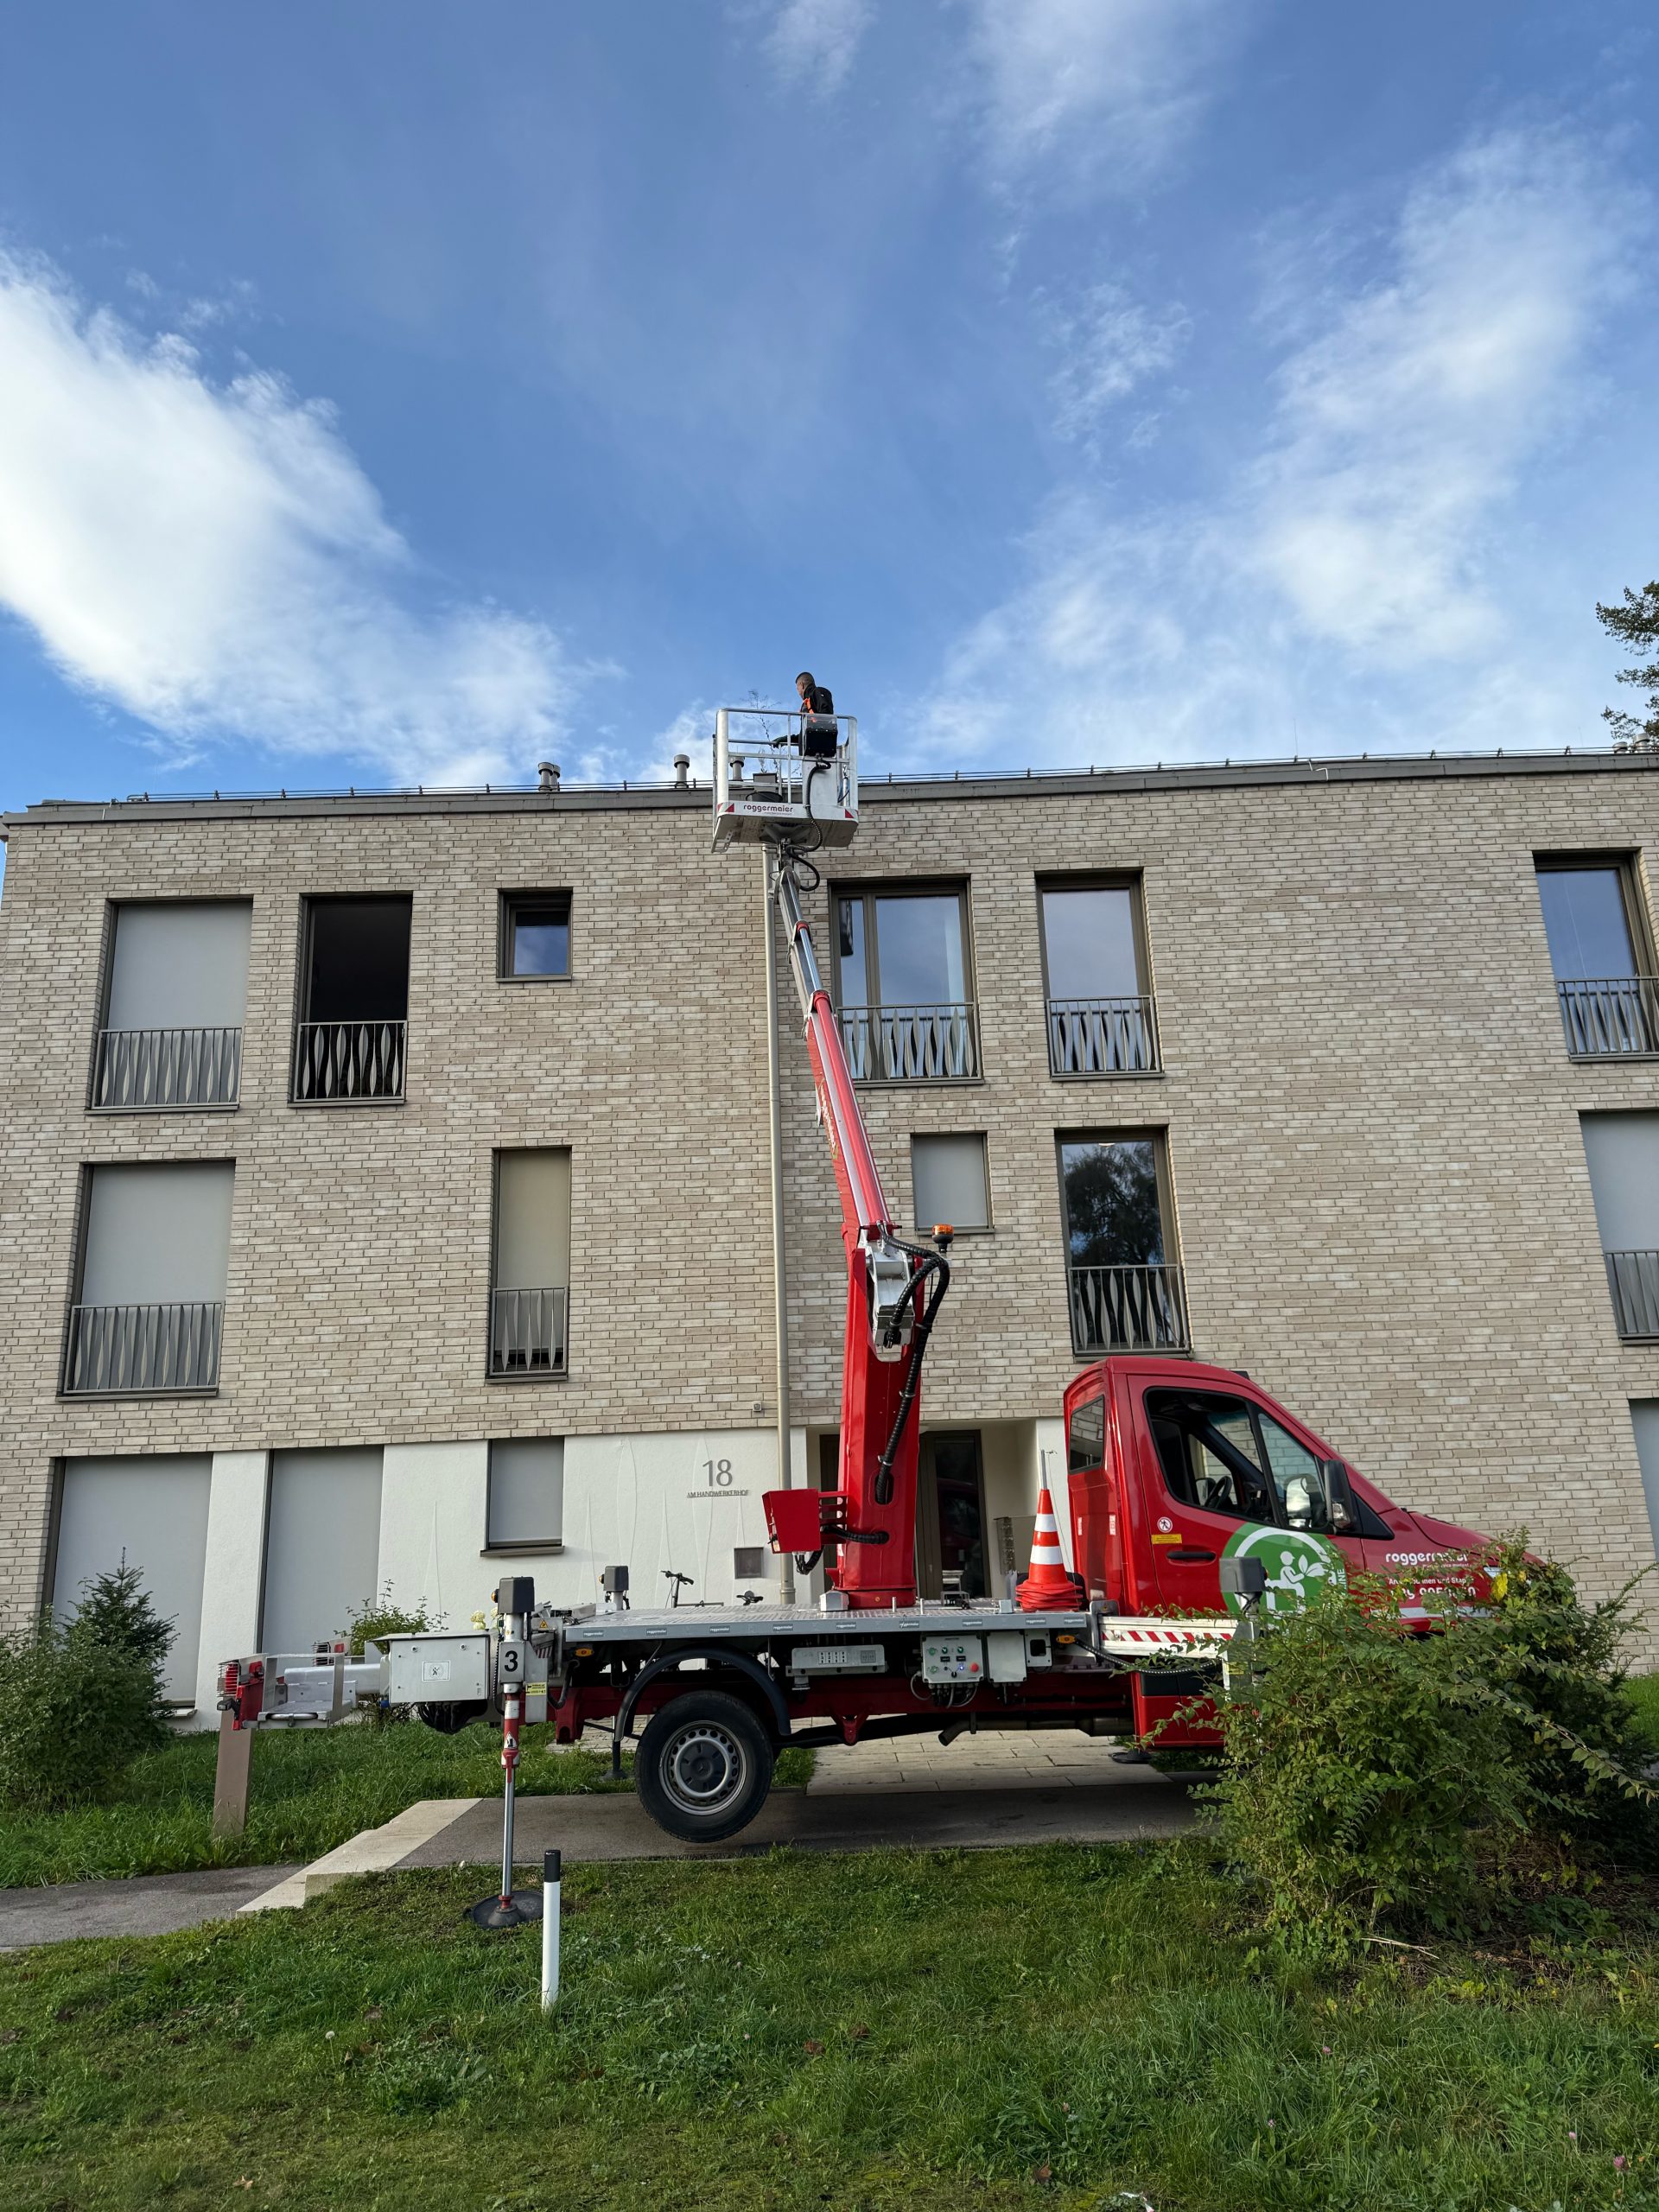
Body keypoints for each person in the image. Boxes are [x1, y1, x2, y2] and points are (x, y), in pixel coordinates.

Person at [795, 671, 838, 760]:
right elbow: (806, 733)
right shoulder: (807, 703)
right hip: (808, 753)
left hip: (819, 750)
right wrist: (787, 739)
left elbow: (827, 715)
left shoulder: (818, 692)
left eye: (797, 689)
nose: (798, 692)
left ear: (802, 685)